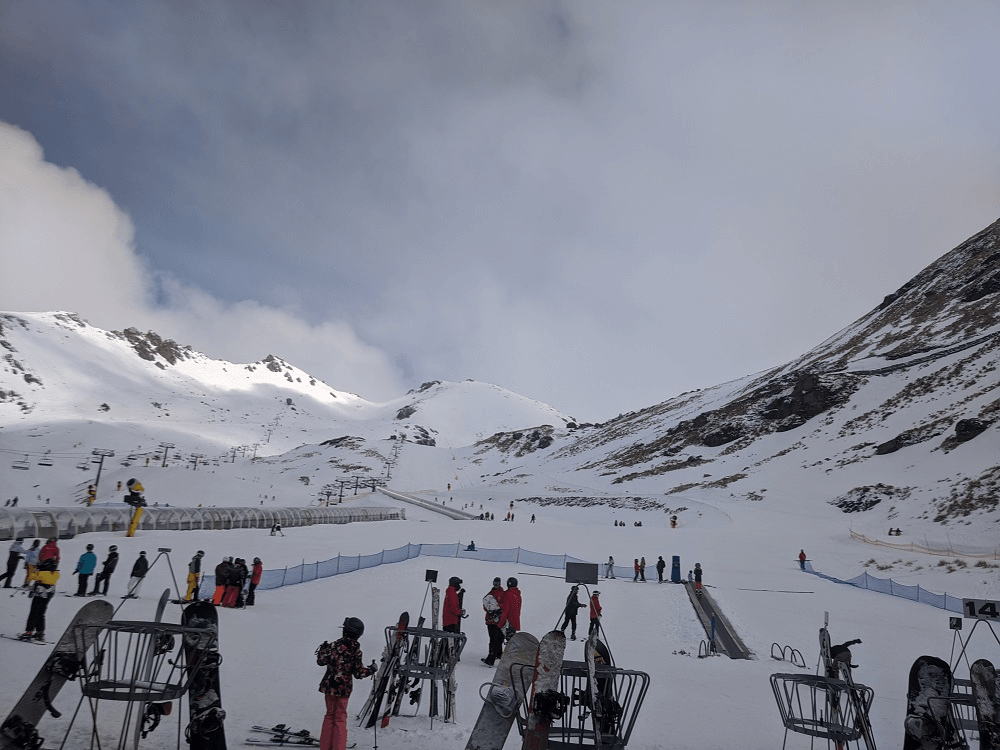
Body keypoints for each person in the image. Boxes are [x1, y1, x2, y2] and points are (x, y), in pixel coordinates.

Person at [316, 617, 377, 750]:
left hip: (329, 686)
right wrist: (371, 670)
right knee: (340, 717)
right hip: (344, 689)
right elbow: (358, 673)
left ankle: (325, 747)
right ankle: (338, 747)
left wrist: (322, 649)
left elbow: (321, 661)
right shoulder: (356, 651)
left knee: (329, 715)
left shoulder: (333, 646)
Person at [23, 557, 59, 640]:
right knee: (41, 613)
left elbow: (31, 576)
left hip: (40, 594)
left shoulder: (41, 573)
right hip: (49, 594)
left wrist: (37, 569)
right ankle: (40, 632)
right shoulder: (56, 574)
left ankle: (29, 631)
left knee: (34, 612)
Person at [482, 577, 505, 666]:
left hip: (496, 620)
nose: (495, 584)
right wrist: (490, 609)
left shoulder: (502, 593)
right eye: (494, 582)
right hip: (490, 620)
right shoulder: (490, 593)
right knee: (493, 637)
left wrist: (497, 608)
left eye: (497, 583)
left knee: (495, 638)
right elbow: (485, 605)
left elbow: (504, 605)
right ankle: (497, 654)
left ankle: (493, 655)